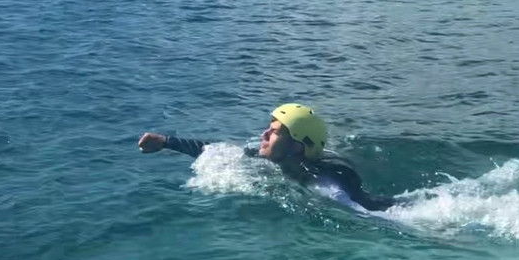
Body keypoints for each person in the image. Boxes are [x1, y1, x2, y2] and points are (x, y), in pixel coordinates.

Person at [138, 103, 393, 212]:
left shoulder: (325, 188)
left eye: (275, 132)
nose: (264, 133)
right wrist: (166, 142)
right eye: (268, 127)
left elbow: (363, 216)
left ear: (296, 147)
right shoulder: (268, 158)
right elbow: (215, 149)